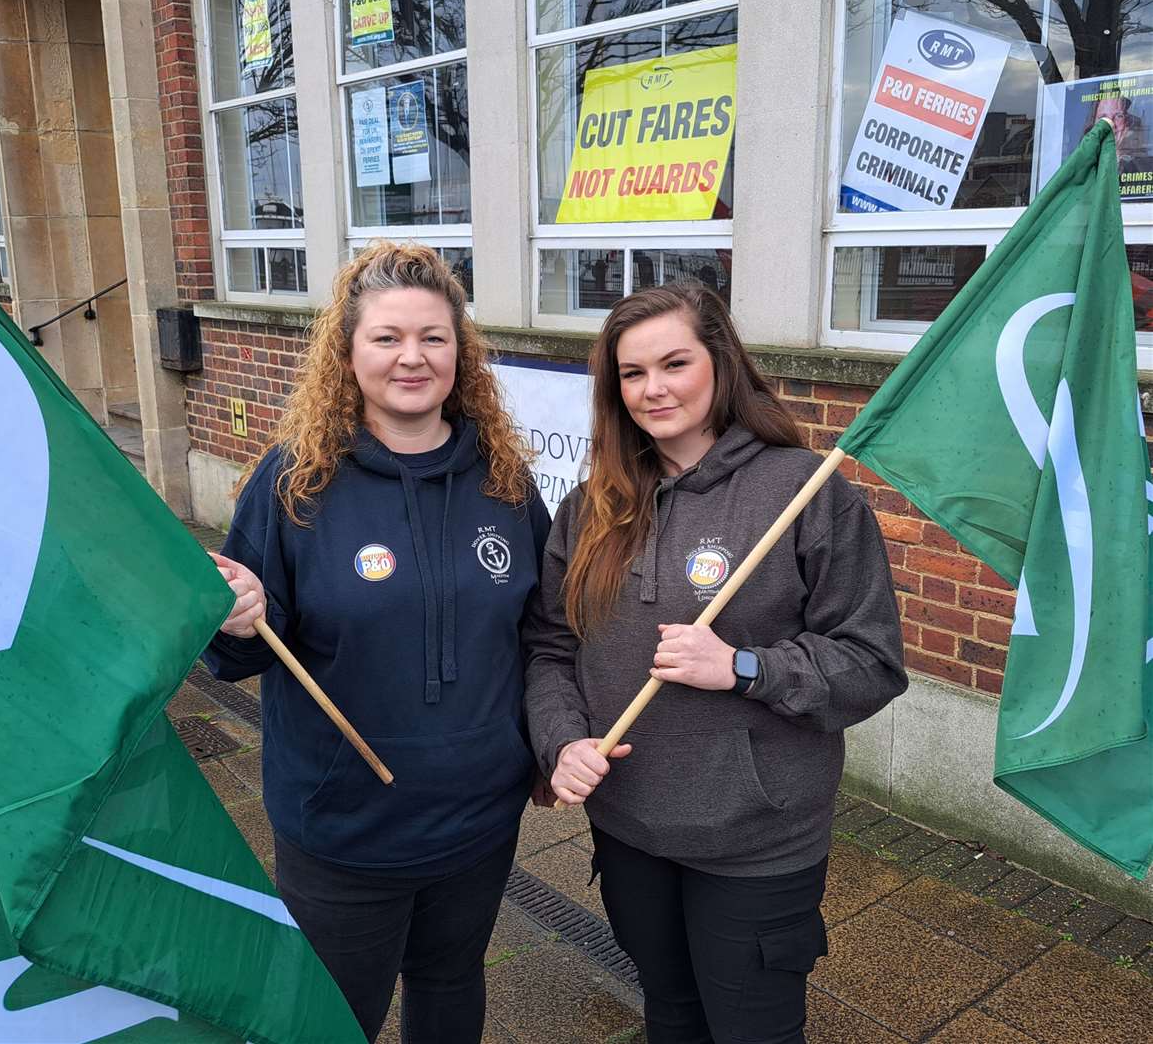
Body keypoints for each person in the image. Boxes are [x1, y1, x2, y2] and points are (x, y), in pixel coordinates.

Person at [524, 283, 906, 1043]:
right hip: (628, 828)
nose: (653, 389)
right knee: (669, 1014)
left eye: (674, 363)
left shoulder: (804, 492)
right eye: (632, 374)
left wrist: (743, 668)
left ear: (720, 362)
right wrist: (560, 741)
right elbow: (548, 646)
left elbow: (870, 662)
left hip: (754, 842)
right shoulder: (592, 506)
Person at [202, 242, 552, 1043]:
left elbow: (541, 632)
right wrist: (233, 615)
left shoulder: (504, 479)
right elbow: (239, 650)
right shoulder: (295, 481)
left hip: (477, 818)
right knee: (332, 1020)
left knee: (450, 985)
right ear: (347, 352)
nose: (411, 357)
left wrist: (543, 743)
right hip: (344, 827)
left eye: (433, 337)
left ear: (459, 353)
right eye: (387, 337)